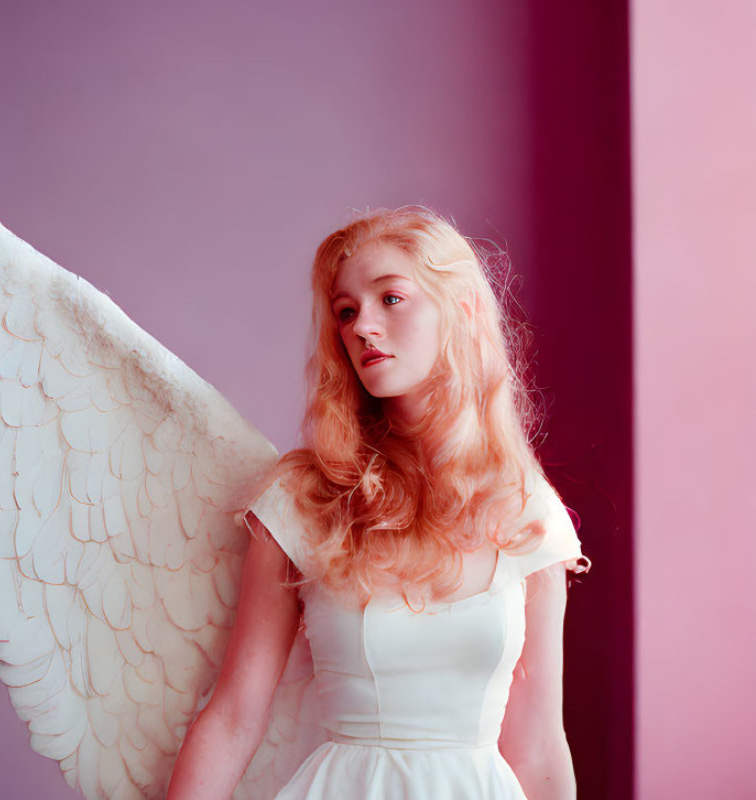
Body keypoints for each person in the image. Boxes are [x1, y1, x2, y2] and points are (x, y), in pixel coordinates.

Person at [166, 205, 589, 800]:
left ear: (462, 310)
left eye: (390, 298)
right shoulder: (304, 498)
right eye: (346, 311)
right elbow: (235, 716)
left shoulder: (529, 513)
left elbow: (540, 742)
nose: (362, 326)